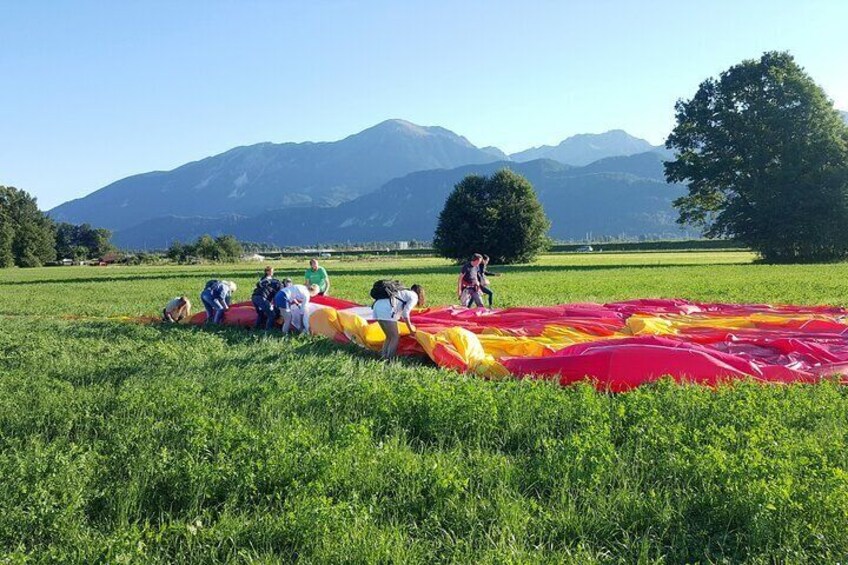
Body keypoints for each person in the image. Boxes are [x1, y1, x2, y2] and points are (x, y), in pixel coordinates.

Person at [373, 284, 425, 360]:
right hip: (387, 309)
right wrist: (410, 329)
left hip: (377, 307)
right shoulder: (414, 296)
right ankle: (389, 359)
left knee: (389, 336)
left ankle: (383, 357)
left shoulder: (403, 292)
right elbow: (405, 313)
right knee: (395, 337)